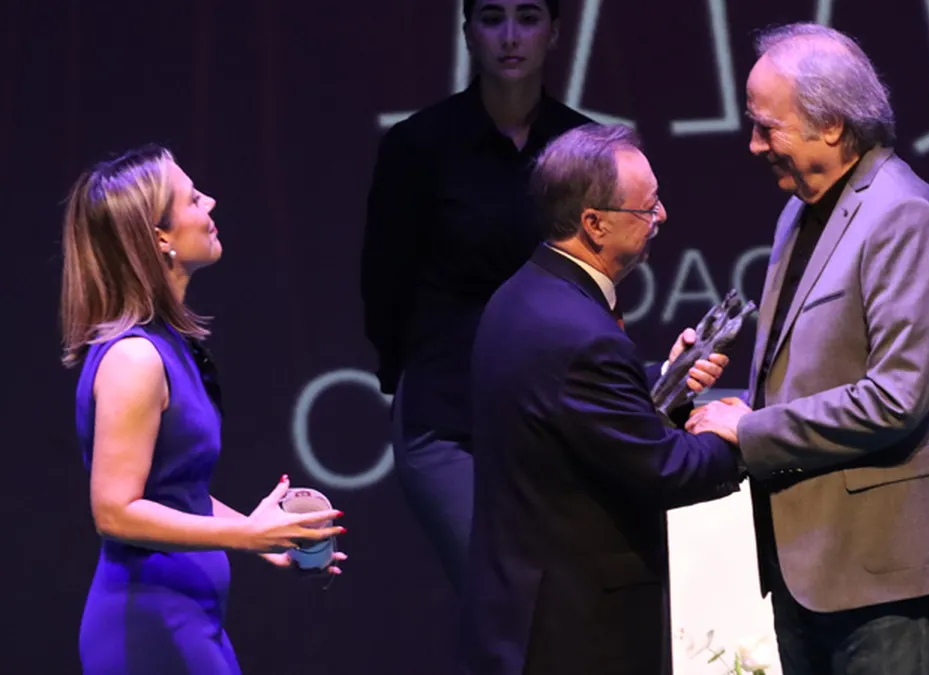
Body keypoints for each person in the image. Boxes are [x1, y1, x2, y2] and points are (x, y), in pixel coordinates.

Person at [687, 23, 929, 675]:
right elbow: (811, 378)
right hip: (808, 560)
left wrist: (749, 429)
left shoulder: (903, 215)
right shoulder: (802, 209)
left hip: (886, 572)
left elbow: (895, 398)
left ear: (831, 126)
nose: (753, 145)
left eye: (767, 127)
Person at [461, 123, 745, 675]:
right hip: (574, 630)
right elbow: (664, 468)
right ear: (593, 223)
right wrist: (740, 435)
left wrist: (667, 380)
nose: (662, 216)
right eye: (647, 207)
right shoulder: (582, 337)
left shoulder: (522, 294)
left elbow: (568, 410)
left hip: (519, 610)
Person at [62, 145, 346, 674]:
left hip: (188, 618)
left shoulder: (168, 346)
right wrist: (248, 536)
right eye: (193, 199)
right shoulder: (135, 358)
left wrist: (266, 540)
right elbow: (114, 510)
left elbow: (176, 493)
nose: (211, 202)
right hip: (148, 628)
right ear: (159, 238)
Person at [359, 0, 591, 593]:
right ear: (468, 33)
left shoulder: (585, 147)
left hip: (557, 411)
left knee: (560, 601)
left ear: (554, 33)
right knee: (496, 591)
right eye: (491, 18)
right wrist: (409, 372)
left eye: (528, 18)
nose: (510, 36)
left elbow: (599, 280)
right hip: (448, 414)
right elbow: (384, 279)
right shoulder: (418, 145)